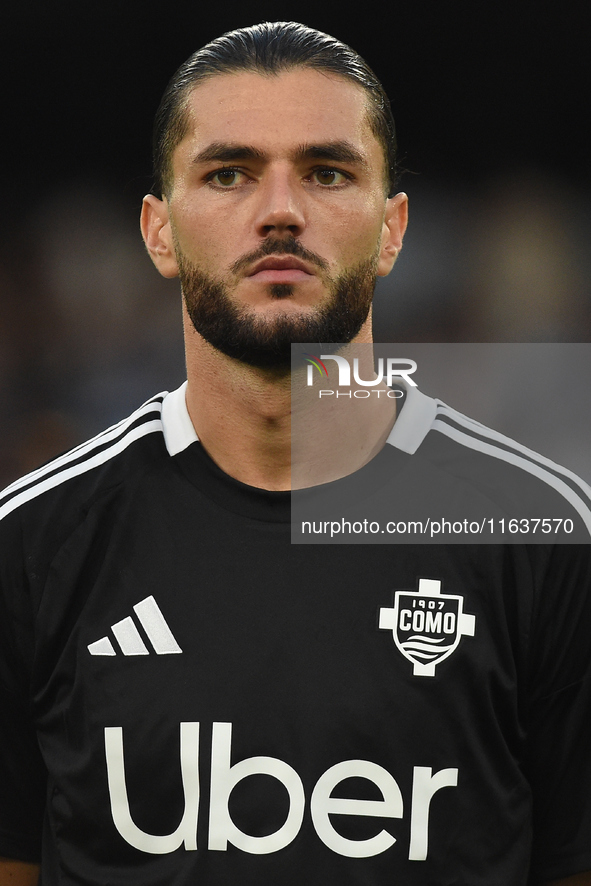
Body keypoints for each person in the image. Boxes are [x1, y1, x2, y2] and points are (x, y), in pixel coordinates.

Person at [1, 21, 590, 886]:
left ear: (391, 230)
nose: (279, 210)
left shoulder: (539, 539)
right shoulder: (35, 544)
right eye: (228, 173)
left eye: (326, 172)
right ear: (157, 233)